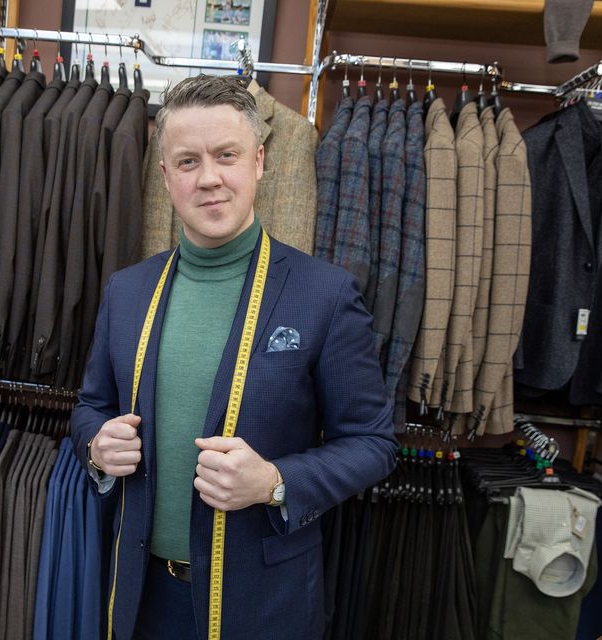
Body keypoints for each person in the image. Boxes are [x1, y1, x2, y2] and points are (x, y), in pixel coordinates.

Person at [70, 74, 397, 640]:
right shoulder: (128, 292)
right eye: (189, 162)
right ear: (166, 175)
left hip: (264, 605)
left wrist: (274, 480)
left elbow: (374, 444)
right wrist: (97, 445)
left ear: (259, 162)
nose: (210, 179)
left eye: (227, 155)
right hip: (140, 598)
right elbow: (88, 406)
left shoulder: (324, 294)